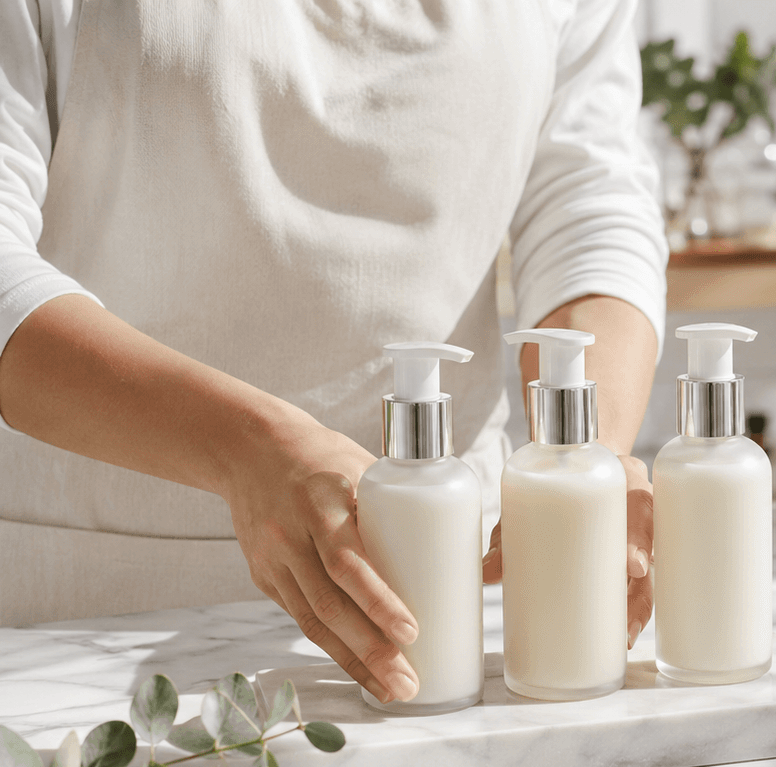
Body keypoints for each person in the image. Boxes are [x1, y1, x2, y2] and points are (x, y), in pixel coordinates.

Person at [0, 0, 666, 705]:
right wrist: (244, 446)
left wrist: (581, 462)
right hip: (86, 629)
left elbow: (589, 207)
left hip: (450, 608)